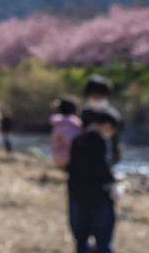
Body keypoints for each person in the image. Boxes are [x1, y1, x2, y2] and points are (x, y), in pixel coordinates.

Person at [68, 107, 124, 253]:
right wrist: (117, 180)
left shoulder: (78, 139)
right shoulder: (99, 139)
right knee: (103, 243)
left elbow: (71, 167)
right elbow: (102, 167)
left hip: (76, 194)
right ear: (107, 125)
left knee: (81, 242)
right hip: (98, 197)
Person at [82, 75, 123, 164]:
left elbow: (115, 144)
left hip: (106, 159)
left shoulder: (113, 115)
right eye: (94, 95)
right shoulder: (83, 113)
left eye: (100, 96)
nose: (97, 98)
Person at [50, 97, 84, 171]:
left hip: (58, 157)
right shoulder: (68, 125)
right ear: (74, 111)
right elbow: (71, 142)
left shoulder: (59, 123)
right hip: (67, 158)